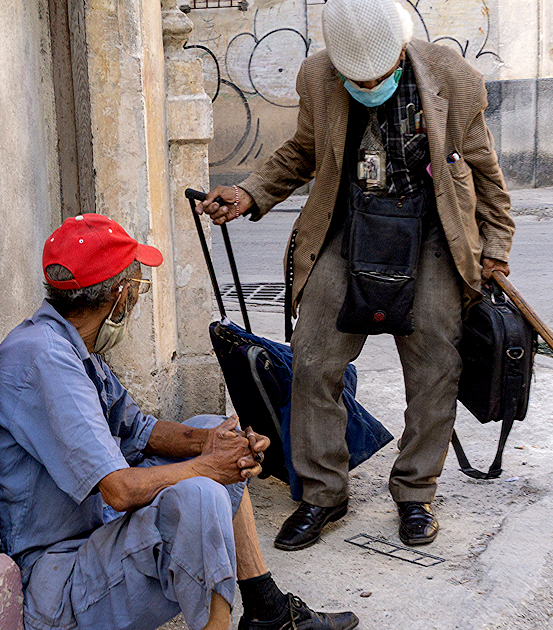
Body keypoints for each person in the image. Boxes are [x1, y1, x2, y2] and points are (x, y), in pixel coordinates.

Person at [197, 0, 514, 551]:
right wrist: (250, 191)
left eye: (379, 75)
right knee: (314, 361)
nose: (368, 84)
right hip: (347, 230)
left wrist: (496, 248)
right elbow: (303, 151)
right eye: (356, 78)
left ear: (399, 52)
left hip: (433, 232)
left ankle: (416, 492)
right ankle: (324, 494)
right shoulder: (318, 76)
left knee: (437, 367)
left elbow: (484, 167)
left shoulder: (453, 78)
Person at [0, 213, 359, 630]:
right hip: (58, 581)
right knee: (202, 496)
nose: (138, 300)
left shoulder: (71, 344)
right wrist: (207, 466)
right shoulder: (44, 360)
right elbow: (120, 492)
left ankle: (265, 608)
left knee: (216, 434)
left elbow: (138, 430)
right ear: (121, 295)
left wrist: (218, 444)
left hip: (93, 535)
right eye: (139, 288)